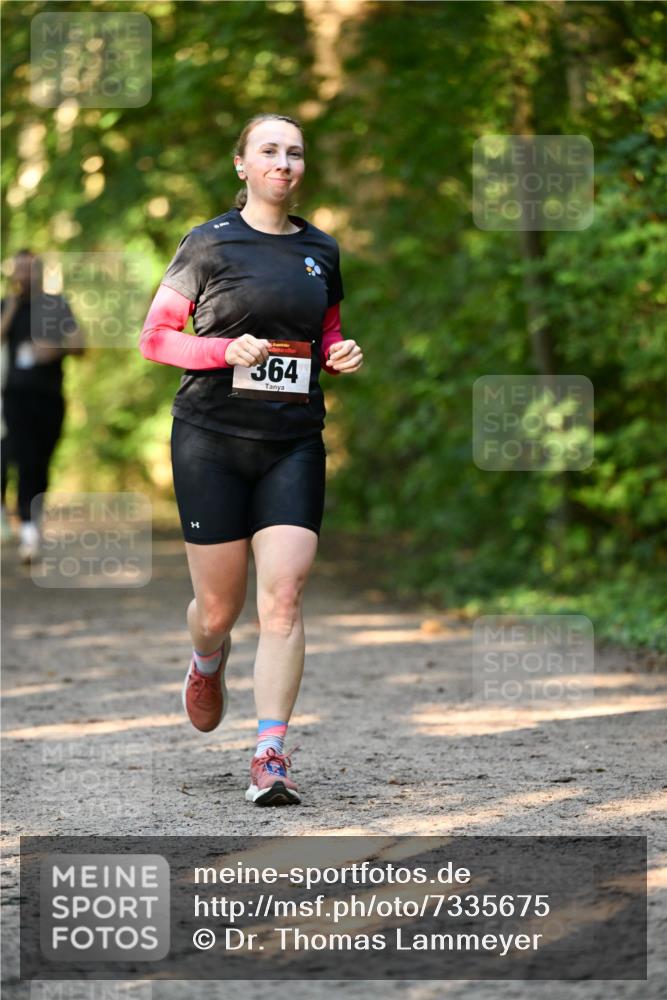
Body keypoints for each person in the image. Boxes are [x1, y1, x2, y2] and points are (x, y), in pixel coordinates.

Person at [139, 113, 363, 806]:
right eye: (268, 150)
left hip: (292, 442)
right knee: (217, 607)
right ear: (241, 164)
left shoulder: (320, 250)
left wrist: (337, 353)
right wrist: (220, 351)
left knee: (284, 599)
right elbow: (155, 339)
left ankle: (270, 752)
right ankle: (207, 658)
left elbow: (323, 330)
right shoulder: (208, 244)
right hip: (209, 439)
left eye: (294, 152)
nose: (283, 162)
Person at [1, 249, 85, 563]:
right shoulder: (7, 306)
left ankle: (33, 522)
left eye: (29, 270)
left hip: (49, 397)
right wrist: (11, 306)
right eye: (18, 270)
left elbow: (80, 345)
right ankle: (27, 531)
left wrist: (56, 350)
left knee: (41, 462)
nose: (24, 276)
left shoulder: (56, 304)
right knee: (22, 459)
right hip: (15, 396)